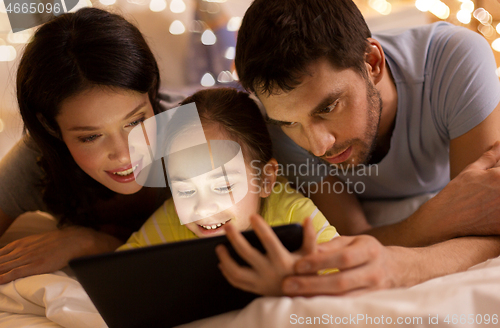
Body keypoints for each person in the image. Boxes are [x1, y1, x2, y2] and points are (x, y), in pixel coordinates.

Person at [218, 0, 500, 296]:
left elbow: (487, 223)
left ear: (372, 63)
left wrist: (408, 265)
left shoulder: (455, 59)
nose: (317, 147)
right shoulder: (277, 125)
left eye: (328, 107)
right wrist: (436, 218)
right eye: (290, 123)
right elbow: (351, 236)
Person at [0, 8, 185, 284]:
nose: (124, 153)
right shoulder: (37, 161)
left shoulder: (198, 134)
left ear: (152, 92)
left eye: (136, 121)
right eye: (90, 137)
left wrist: (90, 243)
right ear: (52, 128)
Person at [117, 88, 338, 295]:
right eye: (184, 191)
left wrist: (294, 287)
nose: (202, 207)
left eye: (223, 186)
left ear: (265, 179)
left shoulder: (295, 217)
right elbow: (119, 274)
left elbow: (346, 285)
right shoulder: (174, 218)